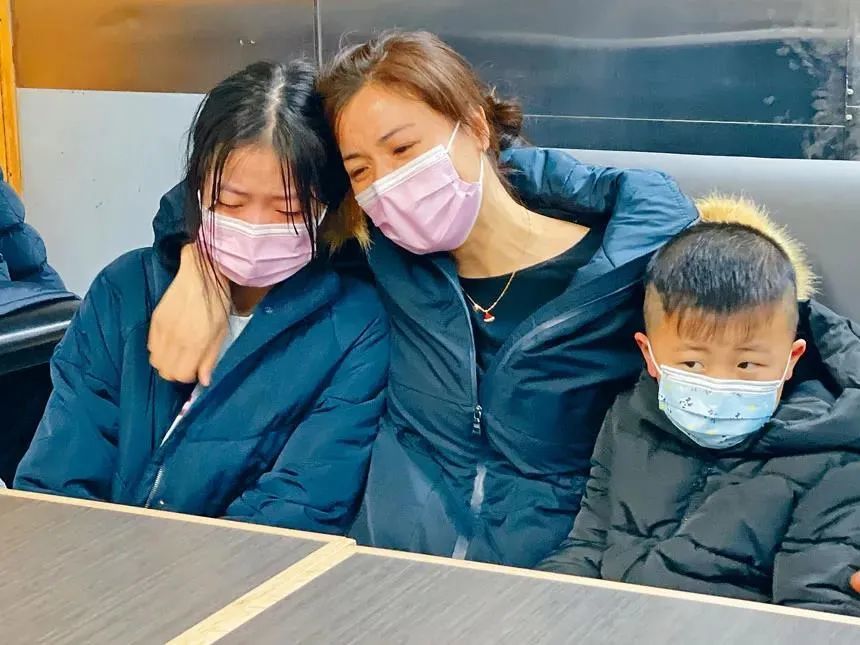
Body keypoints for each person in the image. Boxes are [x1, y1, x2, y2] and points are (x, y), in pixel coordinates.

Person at [146, 31, 699, 567]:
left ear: (475, 125)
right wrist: (196, 263)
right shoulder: (380, 252)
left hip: (551, 586)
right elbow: (240, 178)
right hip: (383, 574)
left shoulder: (638, 276)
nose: (388, 183)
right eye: (360, 169)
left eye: (404, 148)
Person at [14, 60, 389, 534]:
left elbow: (299, 508)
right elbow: (57, 480)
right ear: (195, 187)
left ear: (326, 206)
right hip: (97, 564)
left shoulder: (354, 327)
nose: (255, 226)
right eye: (230, 202)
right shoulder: (124, 292)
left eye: (288, 209)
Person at [538, 196, 860, 615]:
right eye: (692, 363)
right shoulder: (628, 418)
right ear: (650, 354)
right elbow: (589, 542)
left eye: (747, 364)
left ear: (791, 359)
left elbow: (816, 611)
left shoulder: (836, 459)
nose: (719, 382)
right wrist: (539, 609)